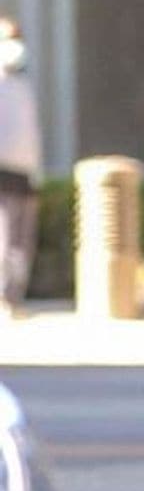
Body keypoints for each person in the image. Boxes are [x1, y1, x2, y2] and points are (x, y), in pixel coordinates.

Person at [0, 18, 40, 319]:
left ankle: (14, 297)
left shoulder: (22, 85)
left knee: (22, 241)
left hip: (26, 173)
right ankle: (5, 296)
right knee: (7, 240)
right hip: (4, 172)